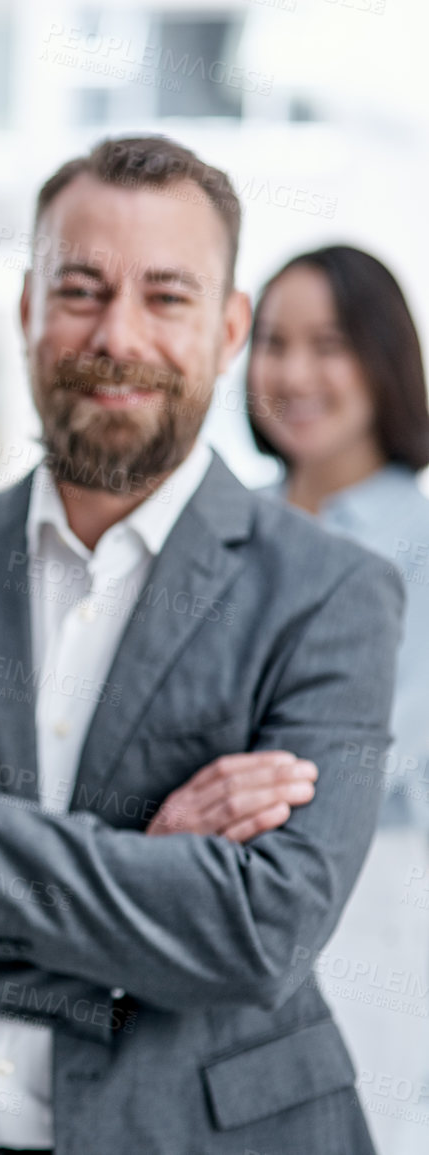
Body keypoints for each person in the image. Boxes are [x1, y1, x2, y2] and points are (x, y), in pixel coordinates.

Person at [0, 134, 403, 1155]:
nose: (118, 335)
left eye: (167, 296)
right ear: (27, 308)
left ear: (228, 328)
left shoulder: (333, 592)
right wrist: (142, 904)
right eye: (80, 288)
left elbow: (260, 935)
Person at [246, 244, 429, 1155]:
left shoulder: (420, 543)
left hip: (371, 890)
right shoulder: (218, 523)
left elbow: (369, 751)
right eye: (273, 343)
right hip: (207, 887)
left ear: (382, 359)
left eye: (328, 344)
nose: (293, 372)